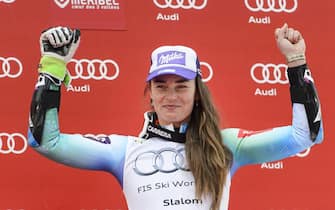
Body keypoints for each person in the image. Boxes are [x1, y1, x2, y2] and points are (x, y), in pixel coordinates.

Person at [28, 23, 323, 210]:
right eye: (161, 86)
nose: (171, 96)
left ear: (197, 93)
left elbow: (305, 135)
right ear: (151, 94)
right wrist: (53, 67)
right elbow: (45, 142)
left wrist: (296, 61)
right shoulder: (125, 151)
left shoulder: (227, 147)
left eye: (181, 86)